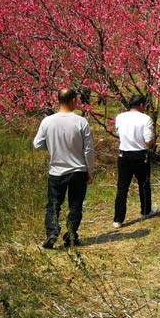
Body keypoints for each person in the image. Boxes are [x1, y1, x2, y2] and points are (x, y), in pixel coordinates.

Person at [33, 88, 95, 249]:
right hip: (78, 170)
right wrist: (90, 170)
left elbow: (37, 144)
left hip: (56, 170)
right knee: (75, 205)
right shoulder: (81, 122)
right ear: (74, 100)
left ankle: (52, 232)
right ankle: (71, 235)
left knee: (53, 204)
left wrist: (53, 146)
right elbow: (88, 150)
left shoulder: (47, 121)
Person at [112, 94, 156, 229]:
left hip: (123, 155)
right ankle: (146, 210)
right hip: (139, 155)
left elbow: (119, 133)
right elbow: (148, 142)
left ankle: (118, 219)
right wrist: (153, 140)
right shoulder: (145, 119)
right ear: (142, 105)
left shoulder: (120, 117)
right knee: (143, 184)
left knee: (122, 187)